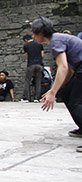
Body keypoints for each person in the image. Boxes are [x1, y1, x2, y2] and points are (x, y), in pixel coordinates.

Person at [32, 17, 82, 152]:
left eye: (34, 33)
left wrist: (53, 92)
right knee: (65, 94)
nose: (33, 36)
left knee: (75, 103)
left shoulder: (55, 41)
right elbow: (70, 70)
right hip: (78, 69)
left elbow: (63, 67)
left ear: (41, 32)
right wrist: (58, 88)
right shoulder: (58, 39)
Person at [21, 35, 44, 103]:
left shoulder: (26, 46)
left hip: (31, 64)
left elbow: (27, 56)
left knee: (27, 81)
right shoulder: (39, 44)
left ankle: (25, 98)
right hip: (39, 64)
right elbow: (42, 55)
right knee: (38, 81)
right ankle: (37, 98)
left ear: (26, 40)